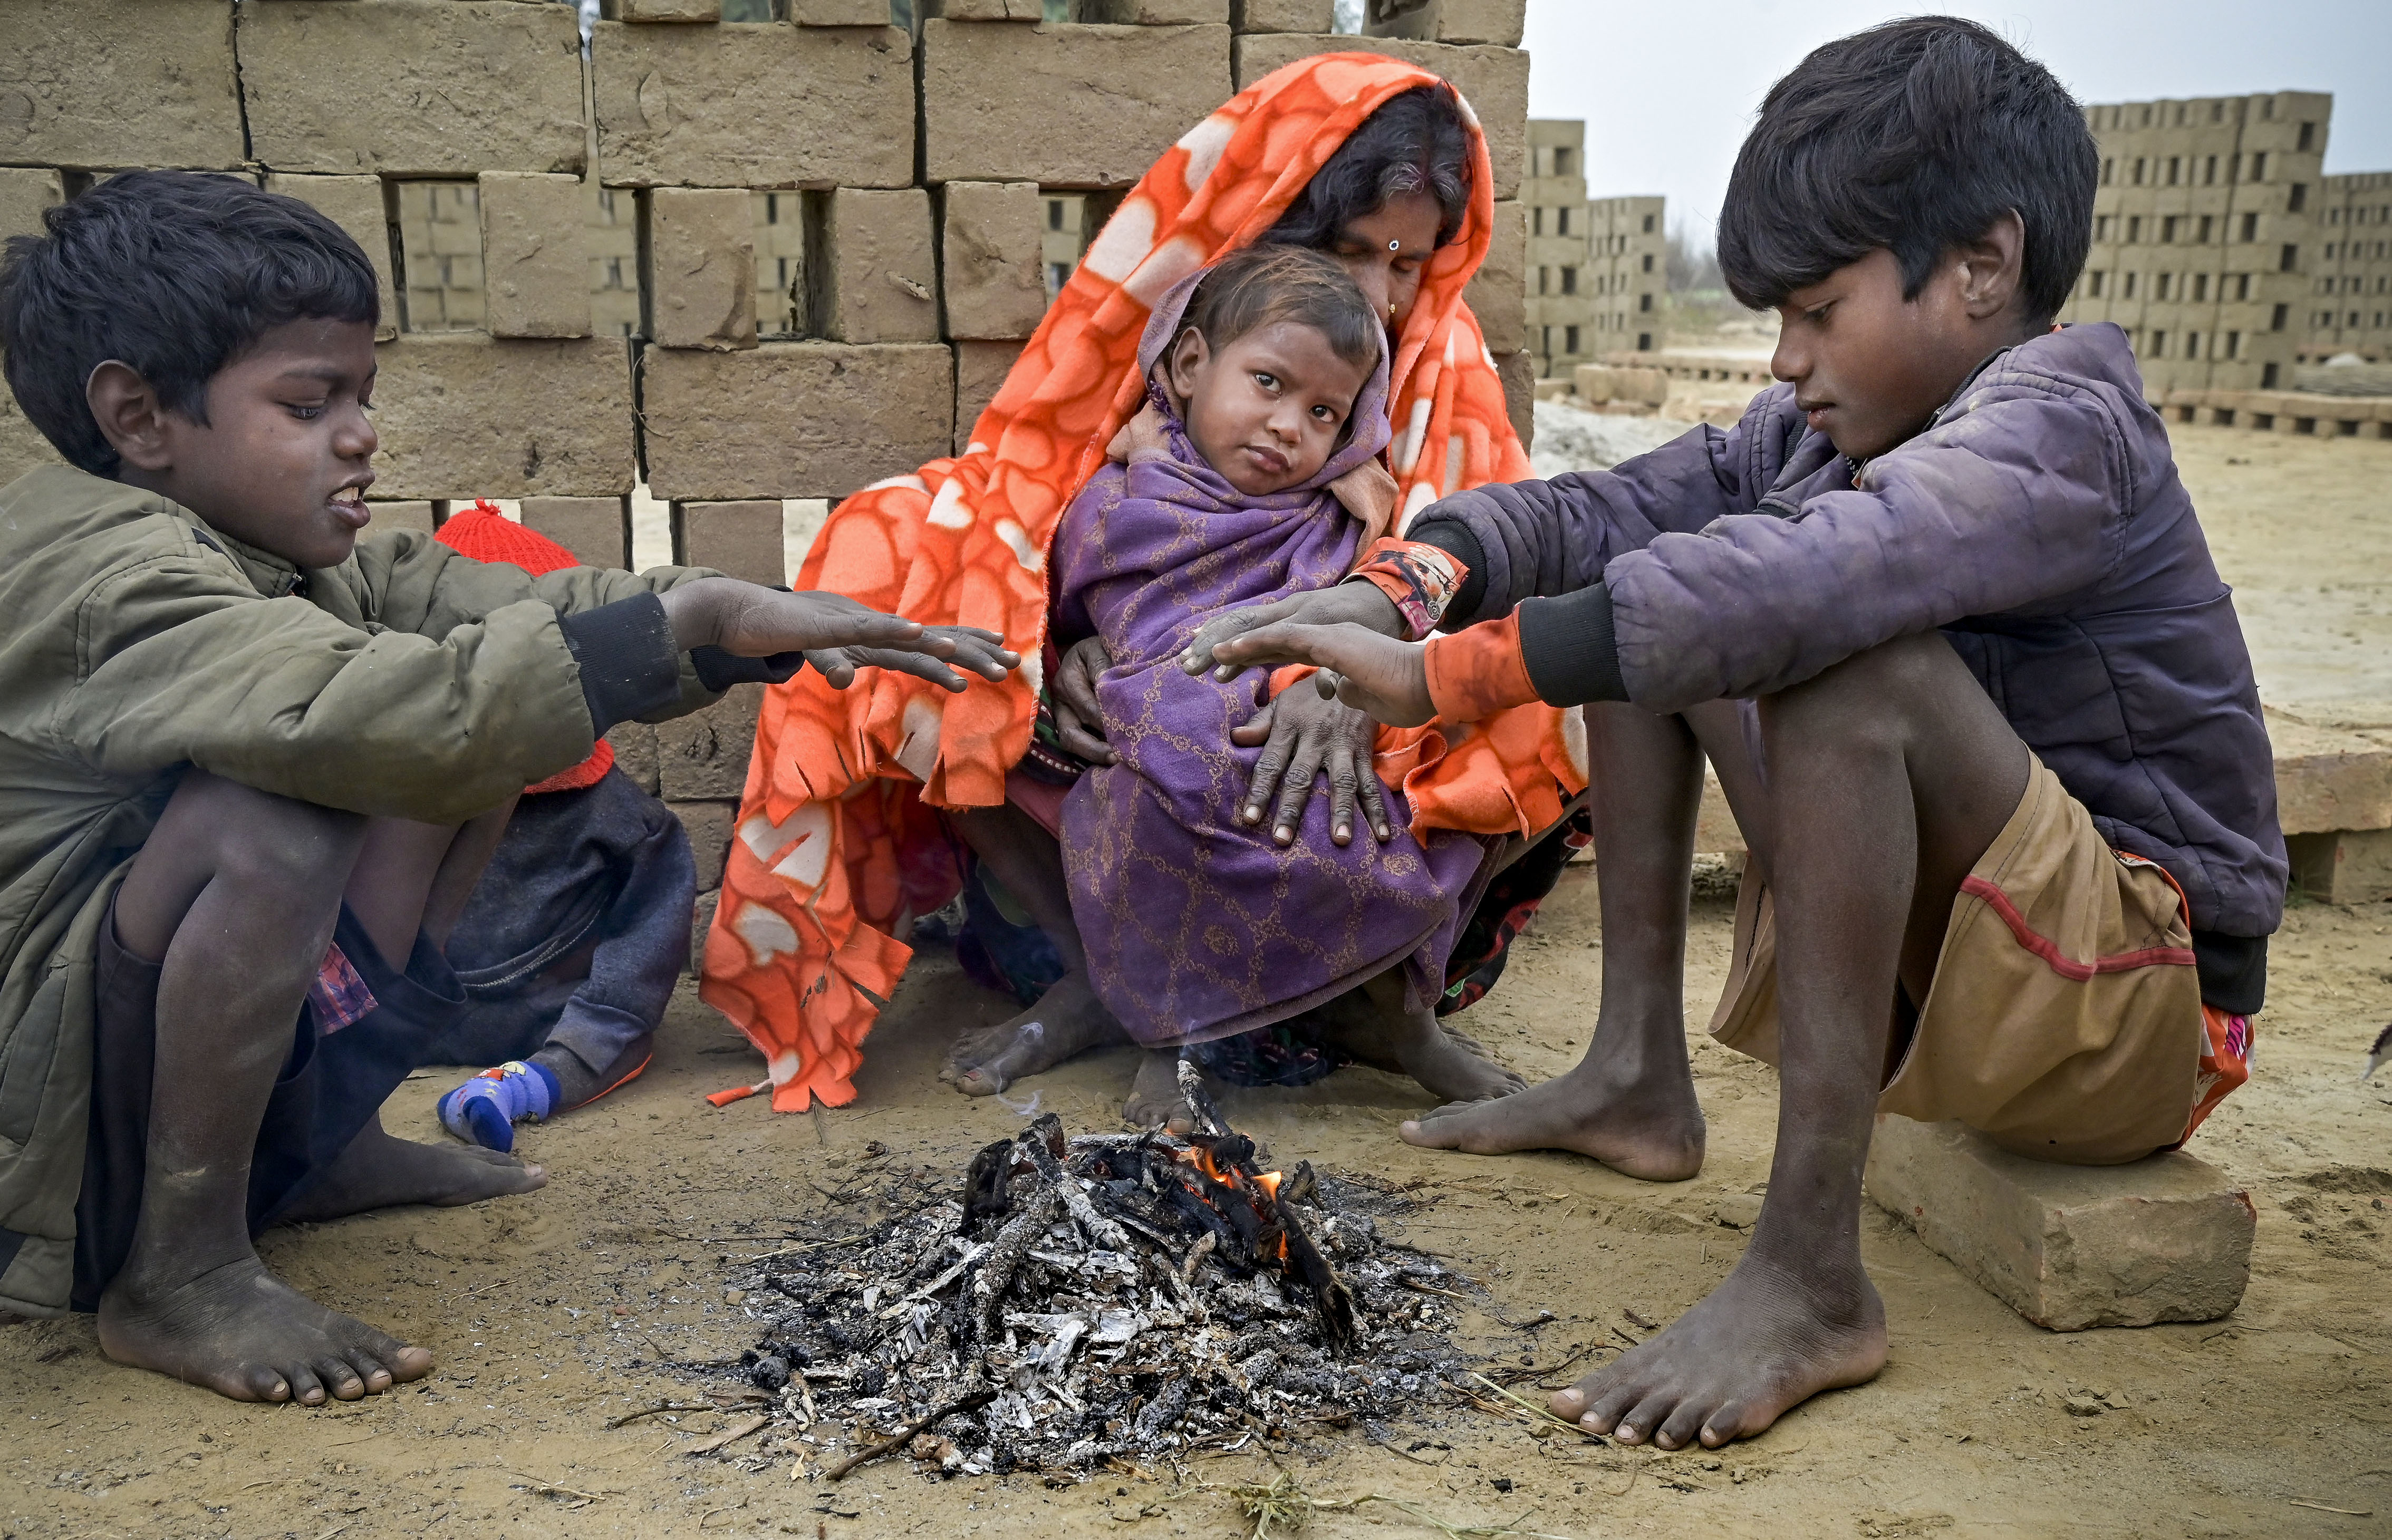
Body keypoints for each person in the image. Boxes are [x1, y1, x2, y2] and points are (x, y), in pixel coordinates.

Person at [1188, 17, 2279, 1449]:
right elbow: (1592, 510)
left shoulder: (2066, 427)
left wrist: (1461, 678)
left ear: (1983, 268)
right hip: (1993, 963)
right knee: (1644, 573)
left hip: (2138, 1011)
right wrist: (1397, 589)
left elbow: (1823, 581)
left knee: (1829, 652)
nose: (1787, 357)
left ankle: (1813, 1277)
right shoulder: (1826, 430)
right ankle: (1638, 1075)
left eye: (1820, 312)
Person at [0, 171, 1010, 1405]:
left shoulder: (286, 552)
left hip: (95, 1079)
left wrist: (723, 617)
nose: (359, 433)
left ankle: (319, 1150)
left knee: (477, 729)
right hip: (24, 1124)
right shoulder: (105, 575)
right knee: (290, 801)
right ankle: (179, 1272)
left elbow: (517, 615)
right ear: (141, 418)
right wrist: (673, 627)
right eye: (308, 404)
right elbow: (369, 717)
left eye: (359, 395)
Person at [702, 58, 1585, 1118]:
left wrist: (1362, 674)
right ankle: (1095, 974)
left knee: (1574, 652)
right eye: (1350, 251)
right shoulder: (1163, 328)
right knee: (911, 579)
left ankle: (1390, 1006)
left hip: (1370, 717)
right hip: (1146, 695)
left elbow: (1484, 552)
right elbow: (1040, 504)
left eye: (1410, 261)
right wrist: (1053, 635)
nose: (1380, 294)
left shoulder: (1446, 372)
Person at [1041, 242, 1533, 1122]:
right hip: (1171, 714)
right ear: (1191, 364)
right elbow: (1100, 616)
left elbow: (1377, 608)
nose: (1287, 427)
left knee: (1464, 746)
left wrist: (1331, 679)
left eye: (1322, 412)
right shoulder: (1125, 497)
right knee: (1157, 771)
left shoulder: (1345, 508)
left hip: (1317, 714)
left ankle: (1404, 1022)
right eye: (1268, 384)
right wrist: (1083, 662)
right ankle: (1171, 1035)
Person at [421, 506, 700, 1153]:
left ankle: (519, 1084)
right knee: (615, 1023)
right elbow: (628, 987)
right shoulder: (630, 819)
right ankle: (524, 1086)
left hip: (404, 1026)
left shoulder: (385, 793)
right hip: (550, 1027)